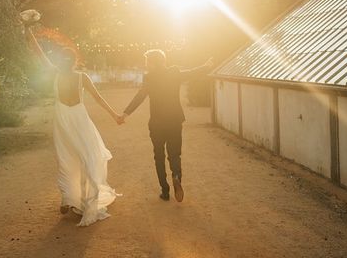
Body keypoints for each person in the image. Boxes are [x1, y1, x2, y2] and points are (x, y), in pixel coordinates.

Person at [25, 25, 123, 226]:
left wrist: (28, 30)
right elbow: (98, 98)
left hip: (64, 120)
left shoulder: (55, 73)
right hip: (78, 119)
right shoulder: (81, 77)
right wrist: (115, 115)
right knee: (86, 158)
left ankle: (68, 199)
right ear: (74, 61)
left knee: (67, 158)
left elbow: (39, 52)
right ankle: (77, 200)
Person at [121, 50, 213, 202]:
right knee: (175, 154)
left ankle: (165, 191)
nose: (146, 64)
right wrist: (206, 66)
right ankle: (176, 176)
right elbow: (191, 73)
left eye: (147, 62)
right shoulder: (174, 72)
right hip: (174, 120)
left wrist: (125, 114)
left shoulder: (149, 78)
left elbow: (140, 97)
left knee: (159, 156)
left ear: (153, 62)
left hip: (157, 123)